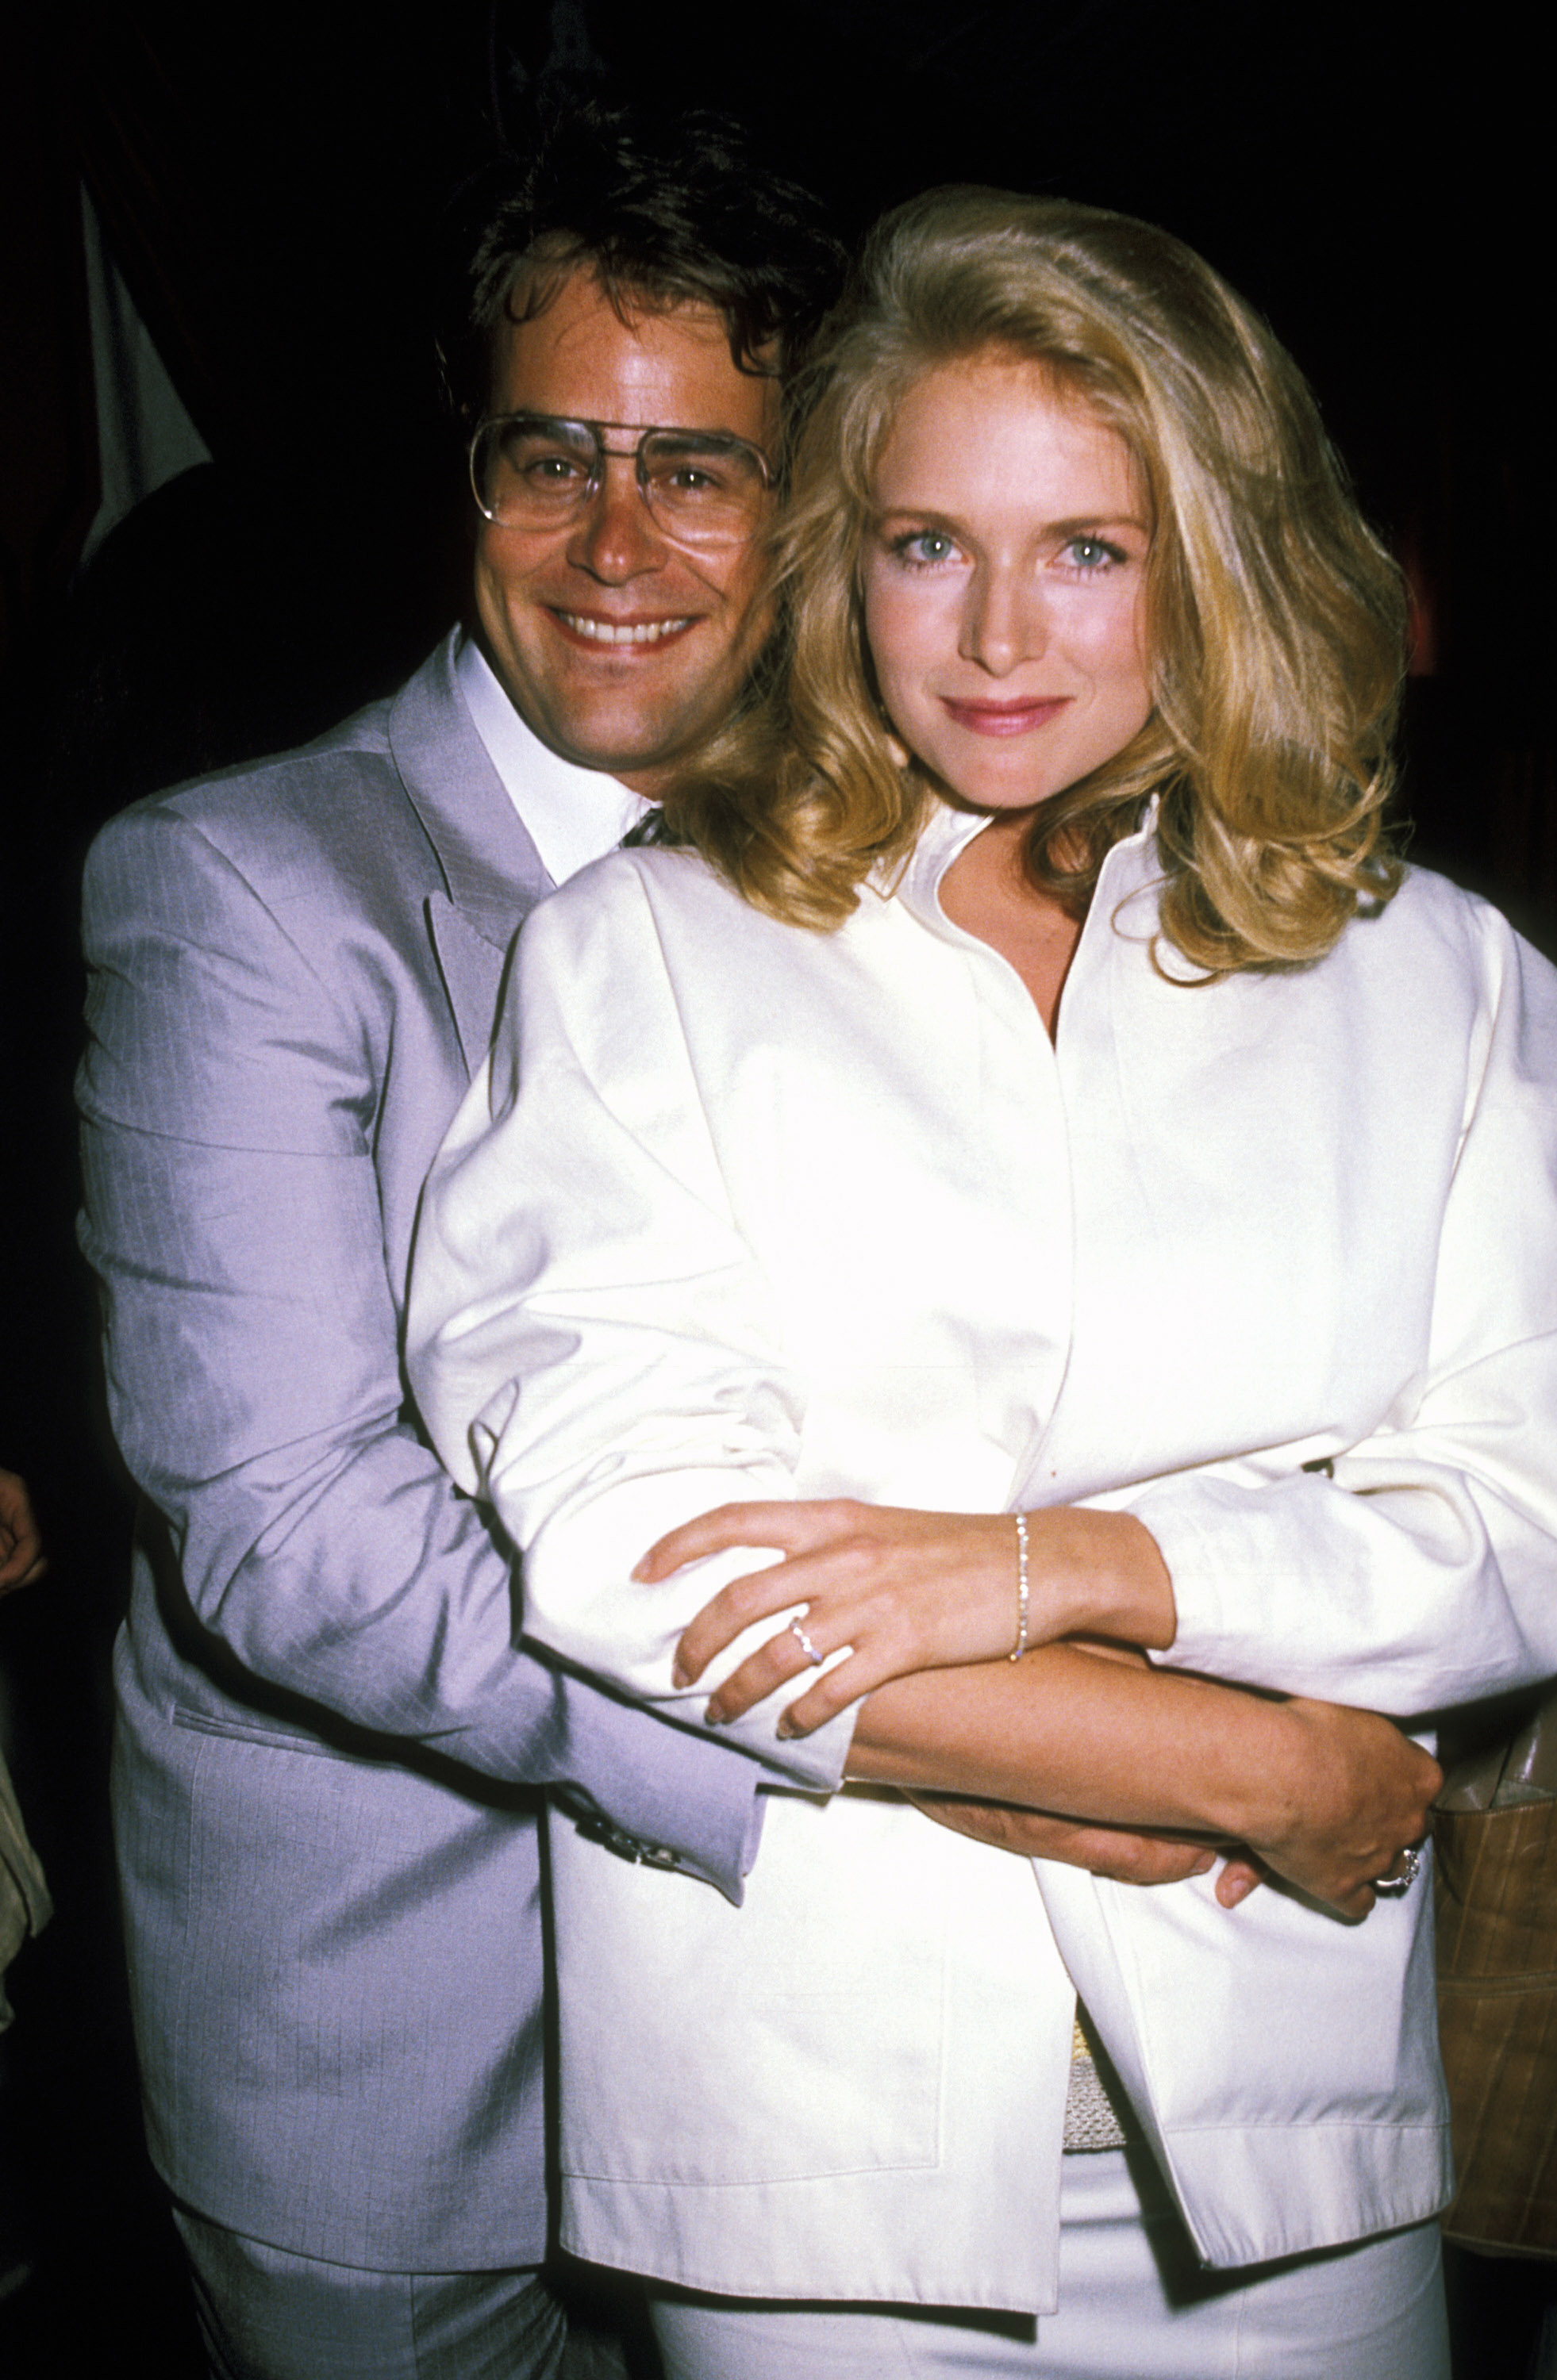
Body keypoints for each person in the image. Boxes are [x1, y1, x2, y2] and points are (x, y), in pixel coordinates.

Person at [408, 188, 1557, 2379]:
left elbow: (1525, 1535)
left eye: (1089, 545)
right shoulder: (640, 963)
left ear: (1216, 562)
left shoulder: (1443, 988)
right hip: (810, 2167)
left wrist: (1056, 1567)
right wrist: (1239, 1752)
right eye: (923, 542)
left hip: (1297, 2152)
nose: (992, 634)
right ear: (836, 563)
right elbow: (621, 1550)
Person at [75, 105, 852, 2380]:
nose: (615, 542)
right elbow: (293, 1527)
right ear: (472, 474)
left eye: (697, 467)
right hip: (403, 2070)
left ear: (804, 508)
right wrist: (860, 1763)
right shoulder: (244, 890)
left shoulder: (884, 889)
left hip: (789, 2057)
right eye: (551, 458)